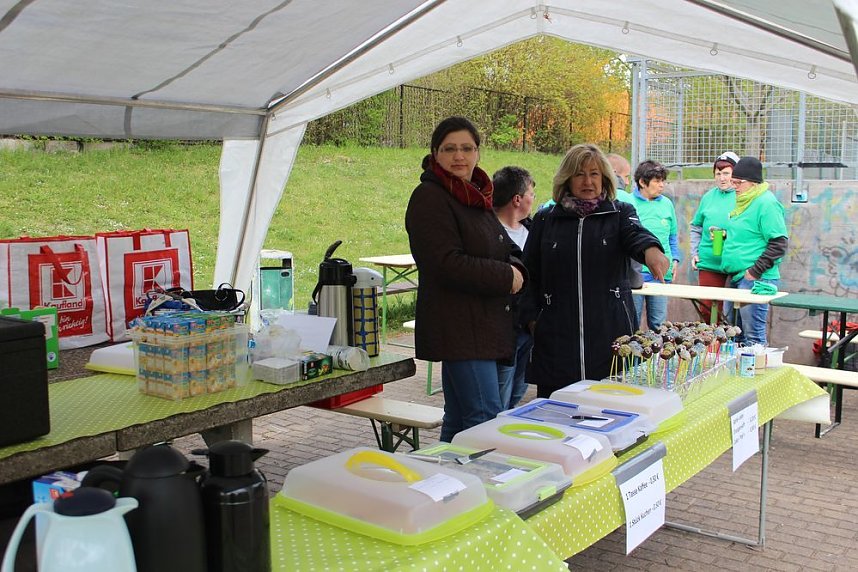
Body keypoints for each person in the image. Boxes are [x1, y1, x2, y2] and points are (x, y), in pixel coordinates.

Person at [405, 116, 526, 441]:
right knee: (484, 422)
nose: (459, 156)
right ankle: (479, 488)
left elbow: (503, 245)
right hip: (461, 329)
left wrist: (517, 269)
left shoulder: (474, 195)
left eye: (467, 148)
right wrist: (506, 277)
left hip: (481, 328)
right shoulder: (430, 197)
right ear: (435, 153)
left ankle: (446, 484)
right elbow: (445, 264)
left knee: (460, 421)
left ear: (477, 153)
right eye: (450, 148)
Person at [521, 143, 669, 397]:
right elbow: (529, 274)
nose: (587, 181)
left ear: (604, 178)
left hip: (609, 338)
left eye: (594, 174)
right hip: (557, 342)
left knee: (608, 415)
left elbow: (635, 235)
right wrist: (534, 319)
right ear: (567, 179)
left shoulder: (621, 213)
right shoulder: (546, 219)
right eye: (579, 174)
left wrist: (651, 250)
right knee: (558, 415)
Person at [721, 156, 788, 346]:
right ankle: (737, 375)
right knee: (733, 336)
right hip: (735, 276)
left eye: (738, 182)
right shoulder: (742, 201)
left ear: (753, 182)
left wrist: (754, 272)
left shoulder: (766, 203)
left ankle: (755, 374)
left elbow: (778, 242)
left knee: (753, 339)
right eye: (733, 181)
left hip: (755, 279)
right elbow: (749, 234)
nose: (734, 186)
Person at [492, 166, 536, 409]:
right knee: (497, 401)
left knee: (518, 392)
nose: (533, 199)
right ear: (518, 198)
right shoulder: (488, 231)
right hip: (503, 333)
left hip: (528, 331)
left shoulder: (534, 230)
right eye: (531, 193)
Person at [630, 160, 681, 330]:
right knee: (632, 323)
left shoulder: (667, 204)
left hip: (661, 275)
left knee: (659, 325)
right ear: (642, 182)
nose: (662, 186)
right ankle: (633, 358)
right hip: (637, 274)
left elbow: (673, 236)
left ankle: (657, 358)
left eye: (663, 181)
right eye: (657, 181)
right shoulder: (629, 204)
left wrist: (675, 259)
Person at [689, 151, 739, 323]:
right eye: (718, 174)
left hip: (736, 262)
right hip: (709, 261)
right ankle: (713, 346)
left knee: (736, 312)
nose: (722, 178)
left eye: (726, 173)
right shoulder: (708, 197)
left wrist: (728, 234)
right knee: (707, 309)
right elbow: (696, 226)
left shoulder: (743, 196)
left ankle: (734, 345)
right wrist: (694, 252)